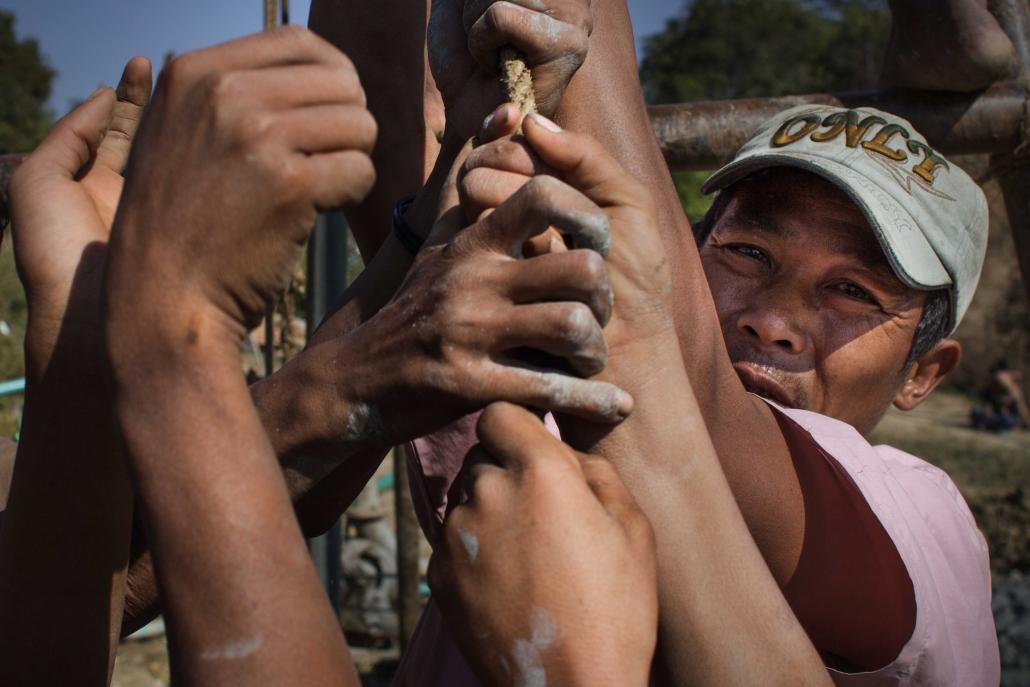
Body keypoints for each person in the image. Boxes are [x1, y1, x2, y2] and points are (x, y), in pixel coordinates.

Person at [358, 1, 1001, 685]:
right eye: (749, 252)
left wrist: (589, 26)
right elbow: (396, 167)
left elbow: (680, 380)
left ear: (922, 375)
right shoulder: (548, 413)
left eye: (854, 292)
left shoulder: (920, 518)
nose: (773, 320)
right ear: (691, 257)